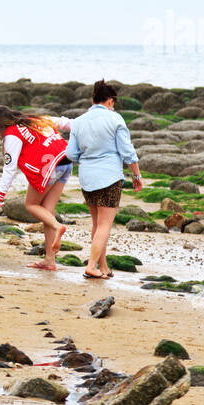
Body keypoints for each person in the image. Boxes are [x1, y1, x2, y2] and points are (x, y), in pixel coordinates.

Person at [65, 80, 142, 279]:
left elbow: (71, 153)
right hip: (109, 177)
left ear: (93, 100)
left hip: (87, 178)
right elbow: (127, 152)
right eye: (113, 103)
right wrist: (136, 174)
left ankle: (103, 266)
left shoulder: (79, 121)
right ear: (109, 101)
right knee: (105, 225)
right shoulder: (115, 119)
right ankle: (91, 265)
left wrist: (88, 158)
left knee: (97, 224)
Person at [0, 107, 73, 270]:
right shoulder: (35, 119)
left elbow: (10, 169)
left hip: (49, 166)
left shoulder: (12, 135)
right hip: (66, 161)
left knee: (31, 205)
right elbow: (66, 123)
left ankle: (58, 227)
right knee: (47, 212)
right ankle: (50, 260)